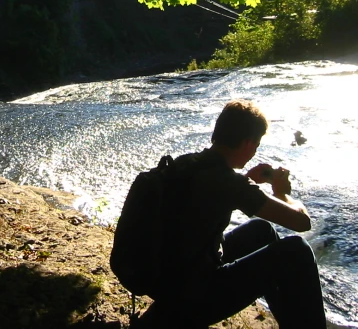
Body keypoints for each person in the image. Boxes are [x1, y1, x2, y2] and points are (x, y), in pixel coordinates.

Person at [137, 99, 327, 328]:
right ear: (247, 143)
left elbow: (207, 199)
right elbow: (301, 222)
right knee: (297, 251)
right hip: (191, 299)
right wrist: (283, 193)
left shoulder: (186, 163)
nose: (254, 152)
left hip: (164, 281)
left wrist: (247, 180)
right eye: (256, 145)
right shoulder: (230, 183)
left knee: (261, 230)